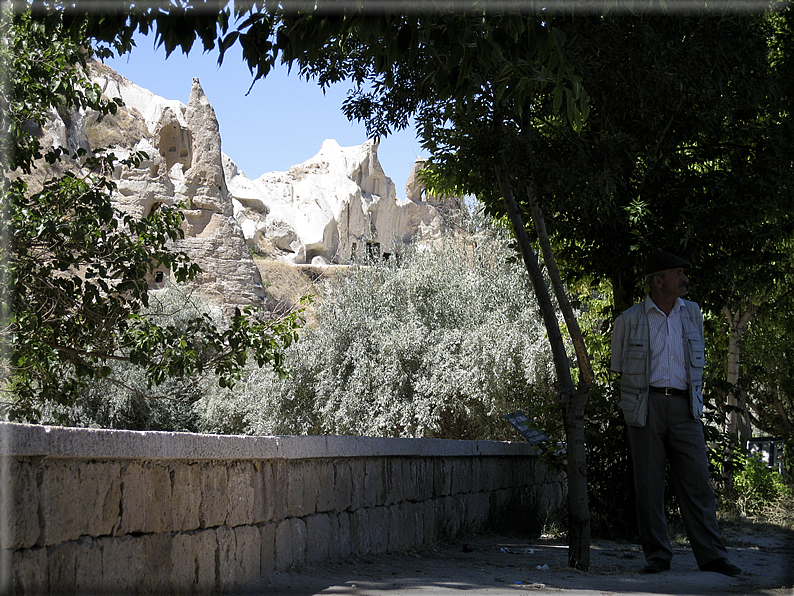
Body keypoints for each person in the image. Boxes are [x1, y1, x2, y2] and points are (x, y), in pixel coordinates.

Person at [610, 251, 741, 576]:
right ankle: (657, 556)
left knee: (698, 483)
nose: (684, 278)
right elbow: (618, 368)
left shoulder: (692, 313)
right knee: (649, 486)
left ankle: (712, 556)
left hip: (685, 408)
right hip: (646, 407)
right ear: (658, 281)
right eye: (678, 273)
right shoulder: (629, 319)